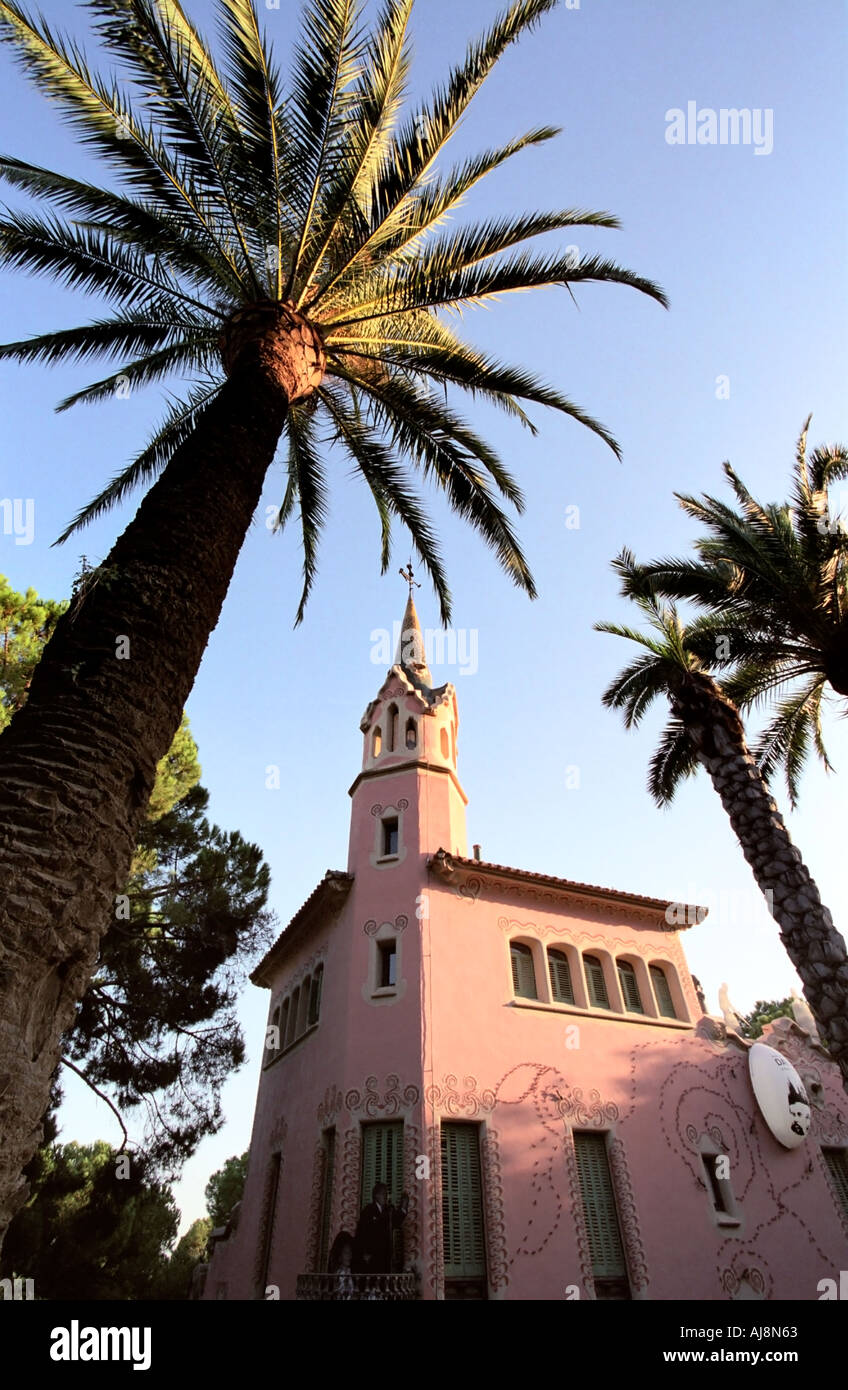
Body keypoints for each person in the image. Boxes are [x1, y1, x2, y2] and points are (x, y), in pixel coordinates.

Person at [352, 1183, 409, 1279]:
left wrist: (403, 1207)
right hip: (371, 1255)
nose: (386, 1196)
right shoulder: (368, 1210)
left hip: (385, 1255)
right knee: (373, 1281)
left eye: (387, 1194)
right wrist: (364, 1252)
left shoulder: (388, 1210)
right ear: (376, 1195)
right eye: (383, 1194)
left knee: (384, 1281)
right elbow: (362, 1233)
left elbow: (396, 1221)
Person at [327, 1230, 356, 1300]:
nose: (350, 1256)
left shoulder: (351, 1272)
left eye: (350, 1253)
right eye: (346, 1253)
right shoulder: (337, 1274)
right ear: (339, 1254)